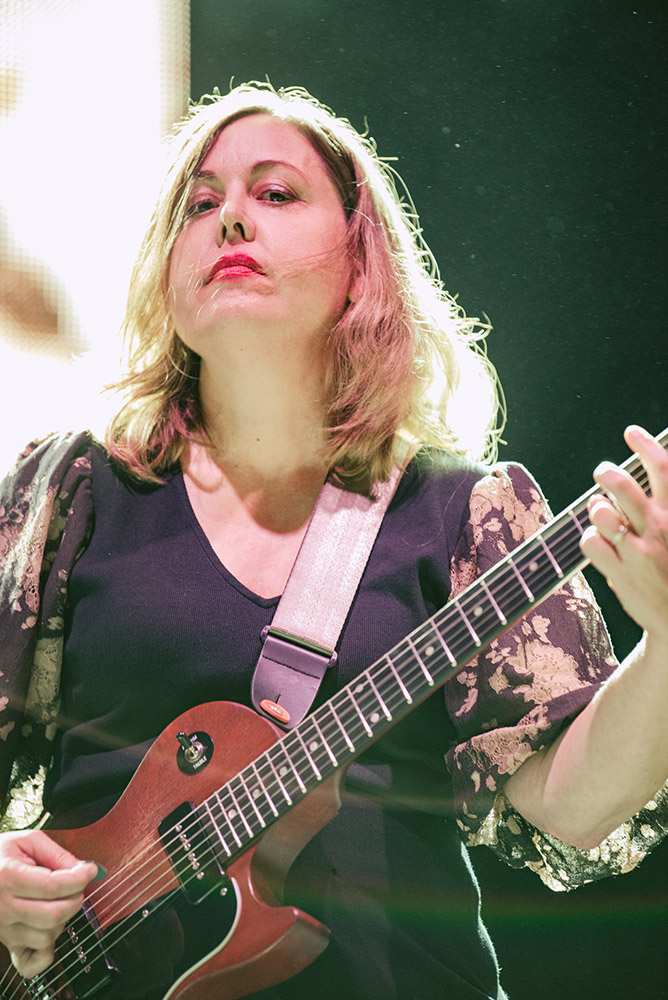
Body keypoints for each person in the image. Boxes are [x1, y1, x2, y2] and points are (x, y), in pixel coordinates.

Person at [0, 82, 666, 1000]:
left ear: (361, 262)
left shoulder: (463, 511)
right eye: (199, 204)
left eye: (276, 193)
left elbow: (574, 808)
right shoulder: (69, 491)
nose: (232, 217)